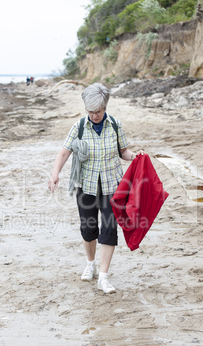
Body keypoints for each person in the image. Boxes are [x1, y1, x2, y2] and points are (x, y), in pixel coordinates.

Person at [48, 83, 144, 294]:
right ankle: (90, 263)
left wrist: (134, 157)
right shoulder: (79, 126)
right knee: (88, 229)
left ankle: (103, 276)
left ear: (105, 107)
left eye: (98, 111)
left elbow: (123, 152)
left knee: (109, 229)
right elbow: (64, 153)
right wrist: (55, 173)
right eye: (90, 112)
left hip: (112, 186)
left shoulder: (115, 125)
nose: (94, 115)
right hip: (86, 186)